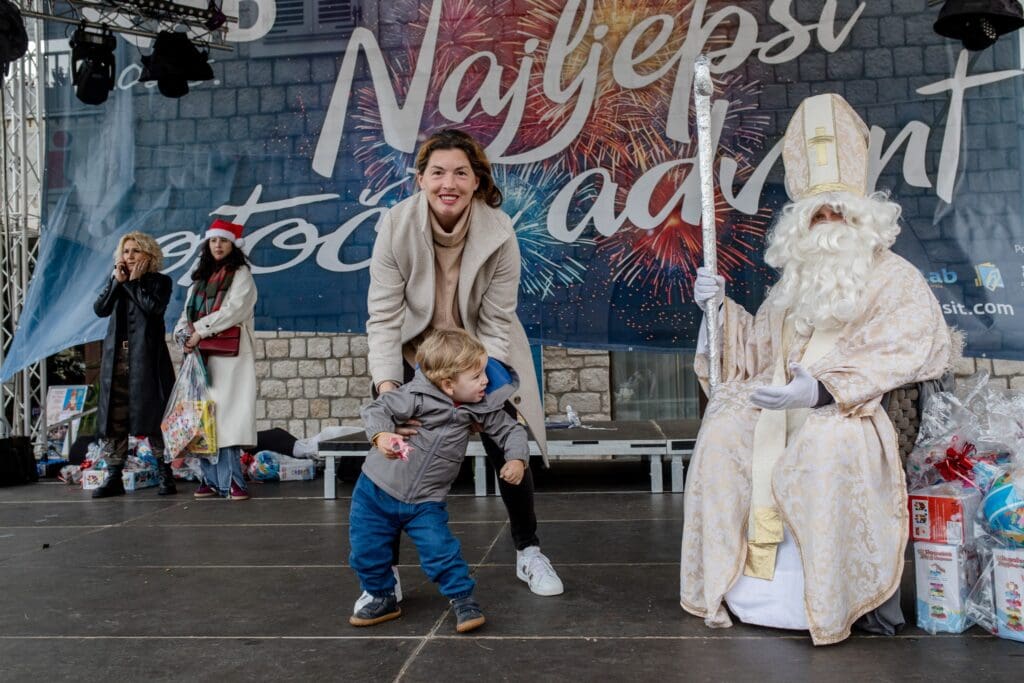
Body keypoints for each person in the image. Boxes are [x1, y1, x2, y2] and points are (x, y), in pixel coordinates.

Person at [679, 93, 957, 645]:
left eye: (839, 212)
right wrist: (717, 311)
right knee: (725, 426)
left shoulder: (896, 278)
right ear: (800, 223)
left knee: (823, 445)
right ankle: (740, 585)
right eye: (817, 214)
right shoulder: (793, 284)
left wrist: (821, 391)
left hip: (852, 412)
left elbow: (910, 345)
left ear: (863, 217)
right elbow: (755, 353)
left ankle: (826, 599)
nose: (828, 223)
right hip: (781, 403)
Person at [364, 128, 563, 609]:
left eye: (460, 173)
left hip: (480, 350)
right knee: (392, 457)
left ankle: (529, 551)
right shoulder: (395, 225)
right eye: (437, 173)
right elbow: (384, 317)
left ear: (477, 181)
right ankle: (384, 576)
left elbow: (496, 321)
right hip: (415, 355)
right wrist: (388, 389)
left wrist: (479, 383)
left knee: (507, 441)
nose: (448, 183)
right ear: (420, 179)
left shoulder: (500, 232)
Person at [350, 329, 529, 632]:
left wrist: (516, 459)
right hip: (375, 491)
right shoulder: (414, 397)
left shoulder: (480, 407)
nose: (485, 381)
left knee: (441, 550)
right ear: (448, 384)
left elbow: (511, 430)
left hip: (426, 500)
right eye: (476, 376)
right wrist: (382, 435)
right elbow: (378, 408)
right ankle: (381, 596)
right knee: (367, 550)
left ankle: (463, 599)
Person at [174, 219, 258, 501]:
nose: (218, 245)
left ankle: (232, 480)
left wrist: (199, 330)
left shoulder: (241, 275)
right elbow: (186, 314)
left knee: (227, 419)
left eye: (223, 240)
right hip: (201, 357)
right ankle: (209, 479)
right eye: (213, 240)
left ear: (233, 245)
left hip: (229, 357)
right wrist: (182, 335)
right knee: (202, 417)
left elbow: (234, 310)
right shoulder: (200, 279)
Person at [92, 231, 177, 498]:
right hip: (117, 360)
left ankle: (165, 473)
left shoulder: (160, 282)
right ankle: (114, 475)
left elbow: (153, 308)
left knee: (154, 415)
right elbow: (100, 309)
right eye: (126, 251)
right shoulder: (116, 280)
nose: (129, 256)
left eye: (135, 250)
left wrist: (133, 283)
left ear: (149, 255)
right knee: (114, 418)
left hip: (147, 361)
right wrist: (116, 283)